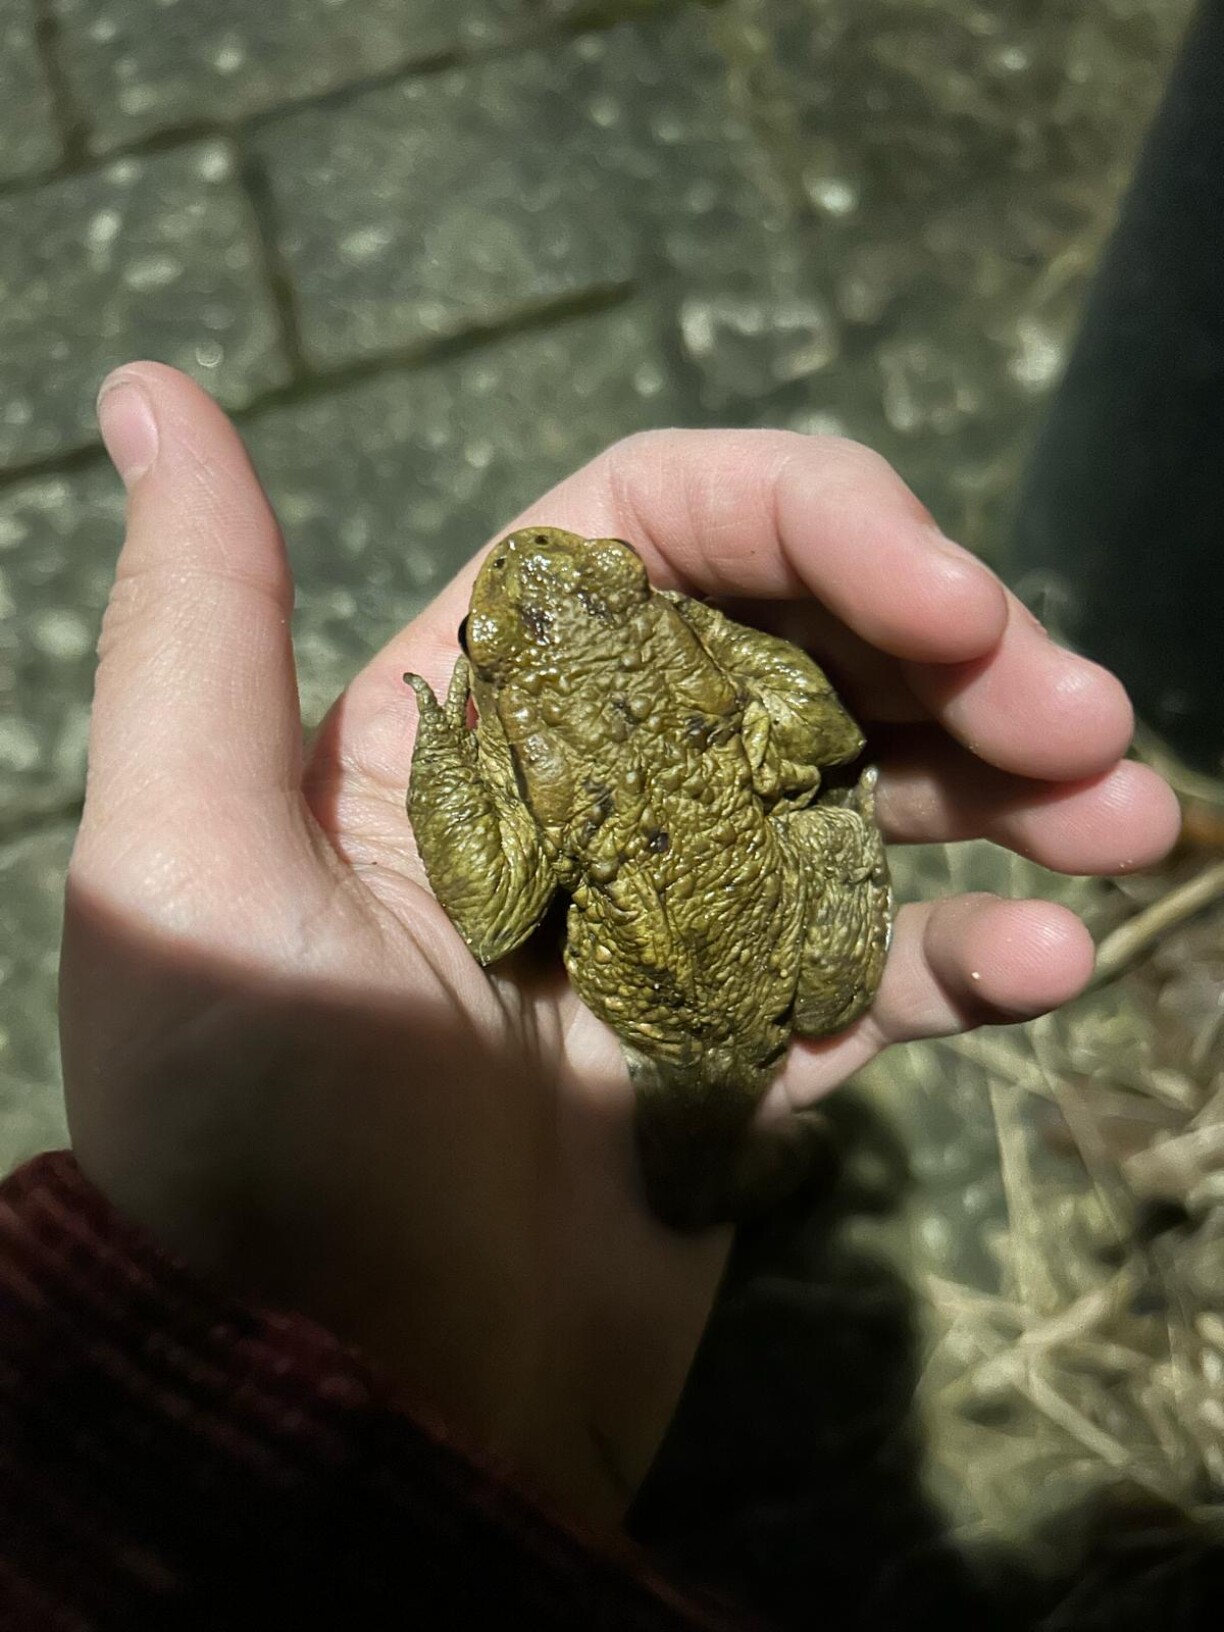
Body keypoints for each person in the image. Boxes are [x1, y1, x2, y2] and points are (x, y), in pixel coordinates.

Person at [0, 364, 1179, 1625]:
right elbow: (826, 746)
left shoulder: (576, 743)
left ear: (641, 603)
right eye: (487, 646)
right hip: (731, 973)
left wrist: (463, 740)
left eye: (623, 582)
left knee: (716, 1121)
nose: (561, 577)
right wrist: (711, 662)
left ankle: (755, 1168)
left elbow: (505, 906)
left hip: (701, 973)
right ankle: (756, 1162)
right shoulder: (716, 696)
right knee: (755, 1050)